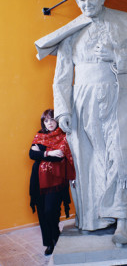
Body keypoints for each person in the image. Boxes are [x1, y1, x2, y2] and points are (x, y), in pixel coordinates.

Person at [35, 0, 127, 245]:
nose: (86, 4)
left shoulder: (123, 19)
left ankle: (122, 221)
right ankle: (94, 218)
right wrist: (63, 110)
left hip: (117, 94)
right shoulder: (72, 30)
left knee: (120, 155)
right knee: (89, 160)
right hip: (82, 101)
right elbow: (62, 75)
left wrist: (116, 54)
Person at [29, 109, 75, 255]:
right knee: (42, 213)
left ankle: (56, 236)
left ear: (57, 120)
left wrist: (41, 153)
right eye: (46, 120)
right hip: (38, 180)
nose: (49, 123)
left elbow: (59, 156)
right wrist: (49, 153)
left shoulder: (63, 136)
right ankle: (49, 243)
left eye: (51, 119)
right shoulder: (40, 135)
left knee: (51, 211)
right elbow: (31, 154)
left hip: (56, 180)